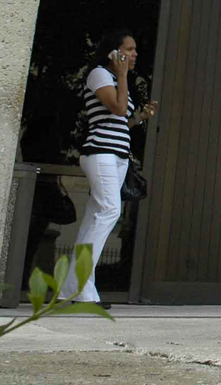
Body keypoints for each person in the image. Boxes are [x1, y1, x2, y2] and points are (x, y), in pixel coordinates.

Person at [58, 29, 159, 306]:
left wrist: (139, 117)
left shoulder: (114, 79)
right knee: (109, 211)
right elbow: (117, 108)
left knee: (94, 217)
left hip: (116, 156)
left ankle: (72, 289)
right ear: (113, 52)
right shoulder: (100, 74)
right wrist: (123, 75)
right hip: (101, 153)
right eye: (129, 49)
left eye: (135, 50)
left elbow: (119, 121)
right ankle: (81, 290)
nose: (134, 54)